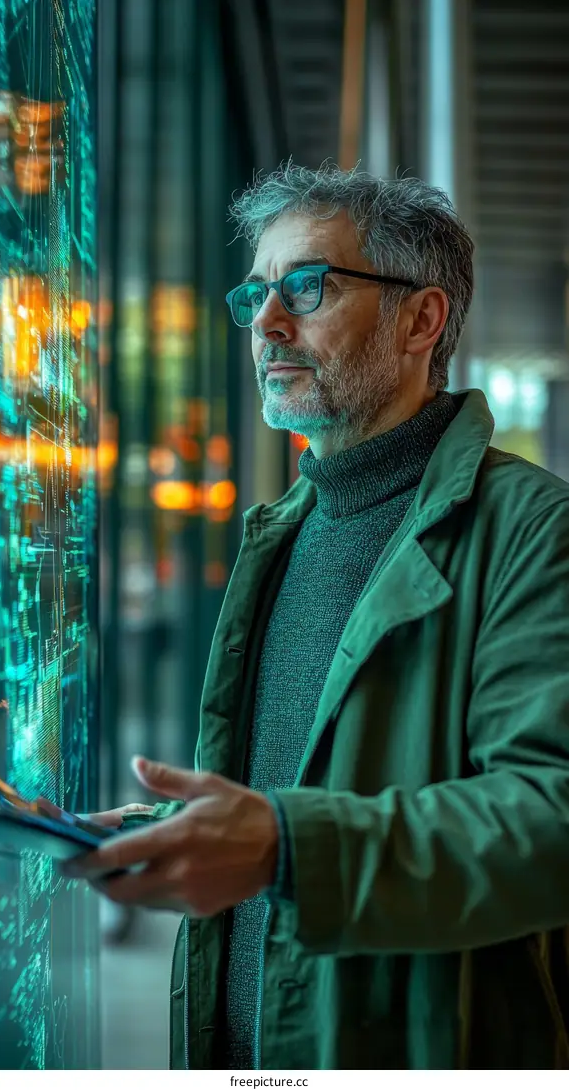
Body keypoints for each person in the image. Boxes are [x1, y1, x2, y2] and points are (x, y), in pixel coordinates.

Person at [66, 163, 569, 1069]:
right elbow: (307, 784)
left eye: (307, 285)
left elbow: (550, 817)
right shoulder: (278, 535)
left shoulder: (534, 530)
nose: (265, 321)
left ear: (422, 320)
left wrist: (284, 848)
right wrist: (172, 829)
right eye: (256, 291)